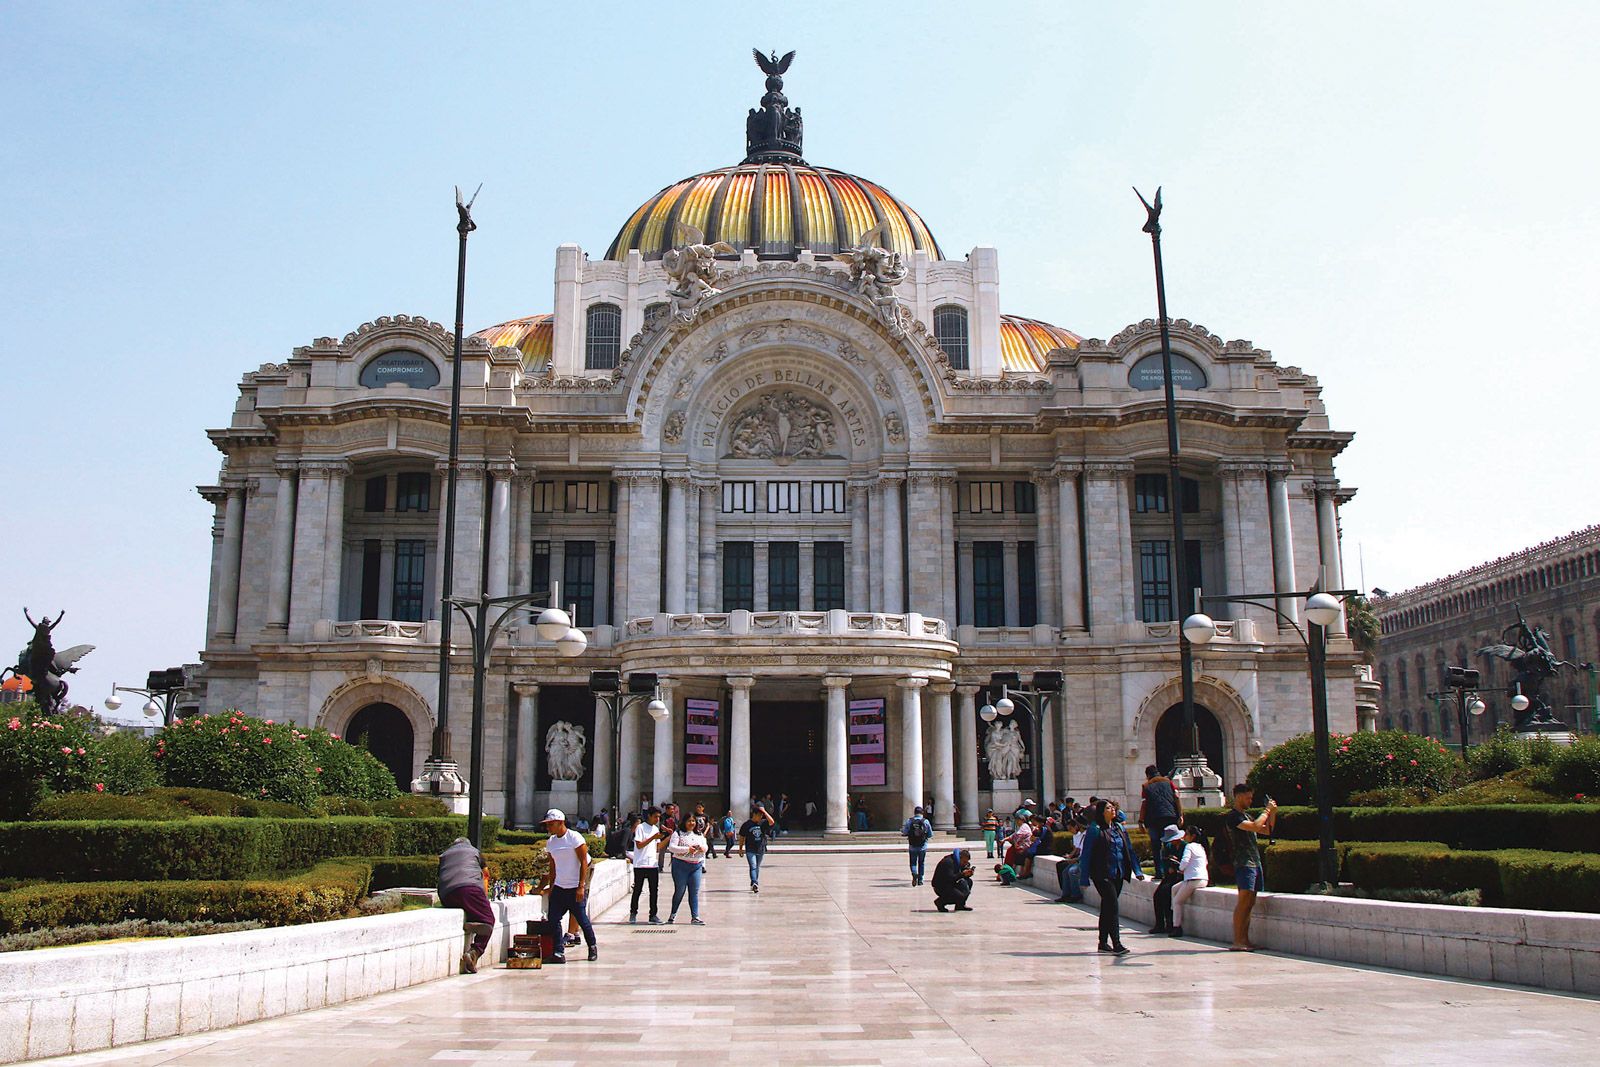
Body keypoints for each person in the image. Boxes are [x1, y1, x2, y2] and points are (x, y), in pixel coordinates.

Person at [1079, 800, 1144, 955]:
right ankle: (1117, 943)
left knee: (1107, 907)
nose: (1112, 810)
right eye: (1108, 808)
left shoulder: (1119, 828)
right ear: (1101, 812)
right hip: (1102, 874)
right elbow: (1086, 854)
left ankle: (1102, 942)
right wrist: (1084, 878)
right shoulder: (1094, 830)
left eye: (1112, 807)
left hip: (1119, 872)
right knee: (1113, 906)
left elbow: (1129, 849)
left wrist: (1137, 870)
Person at [537, 808, 596, 963]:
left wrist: (581, 886)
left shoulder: (574, 838)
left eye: (551, 824)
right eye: (547, 825)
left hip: (575, 885)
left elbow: (584, 862)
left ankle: (592, 947)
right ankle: (558, 952)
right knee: (554, 918)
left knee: (582, 919)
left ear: (560, 823)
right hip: (560, 886)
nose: (548, 828)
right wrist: (551, 886)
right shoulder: (551, 842)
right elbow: (553, 865)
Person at [1226, 784, 1277, 951]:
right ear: (1239, 796)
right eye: (1248, 797)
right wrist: (1266, 811)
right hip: (1243, 863)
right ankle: (1237, 940)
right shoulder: (1234, 817)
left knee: (1250, 903)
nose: (1250, 800)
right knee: (1243, 901)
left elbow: (1266, 830)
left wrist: (1272, 813)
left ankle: (1245, 940)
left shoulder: (1246, 815)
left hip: (1255, 862)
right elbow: (1255, 826)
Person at [437, 836, 494, 974]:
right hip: (469, 889)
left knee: (471, 908)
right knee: (488, 919)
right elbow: (485, 874)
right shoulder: (474, 851)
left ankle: (470, 924)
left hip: (446, 895)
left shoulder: (444, 854)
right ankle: (475, 952)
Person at [1138, 764, 1184, 878]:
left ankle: (1159, 872)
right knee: (1171, 843)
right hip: (1170, 816)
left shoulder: (1146, 786)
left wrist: (1141, 821)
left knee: (1156, 846)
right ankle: (1173, 870)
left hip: (1153, 819)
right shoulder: (1168, 782)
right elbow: (1177, 798)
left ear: (1147, 775)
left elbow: (1144, 804)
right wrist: (1180, 815)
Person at [666, 815, 709, 924]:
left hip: (696, 866)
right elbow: (672, 847)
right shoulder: (678, 833)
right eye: (689, 821)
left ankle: (695, 917)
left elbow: (705, 847)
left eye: (693, 821)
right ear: (684, 822)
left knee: (694, 892)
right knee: (680, 890)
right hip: (680, 866)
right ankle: (673, 914)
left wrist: (700, 848)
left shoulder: (699, 834)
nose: (691, 823)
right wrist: (687, 849)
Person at [1170, 823, 1209, 938]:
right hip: (1202, 878)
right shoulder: (1201, 847)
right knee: (1174, 888)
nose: (1184, 836)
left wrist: (1181, 868)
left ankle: (1176, 927)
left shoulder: (1189, 846)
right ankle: (1174, 914)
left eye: (1186, 834)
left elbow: (1185, 861)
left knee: (1177, 901)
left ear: (1192, 836)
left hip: (1193, 879)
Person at [629, 807, 665, 924]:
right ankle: (633, 912)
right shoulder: (640, 827)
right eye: (655, 816)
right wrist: (653, 837)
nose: (657, 819)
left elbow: (658, 847)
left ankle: (653, 915)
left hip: (652, 864)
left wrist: (669, 837)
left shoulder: (655, 828)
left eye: (659, 817)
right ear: (649, 815)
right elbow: (639, 845)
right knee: (637, 890)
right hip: (640, 864)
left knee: (654, 890)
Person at [1151, 824, 1186, 933]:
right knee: (1157, 895)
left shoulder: (1185, 847)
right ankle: (1159, 924)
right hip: (1170, 875)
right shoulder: (1168, 847)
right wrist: (1169, 866)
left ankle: (1170, 923)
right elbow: (1164, 861)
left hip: (1181, 875)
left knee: (1167, 893)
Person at [739, 804, 774, 892]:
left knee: (757, 867)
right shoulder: (746, 825)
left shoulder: (763, 823)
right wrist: (740, 848)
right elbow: (742, 837)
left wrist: (765, 812)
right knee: (753, 866)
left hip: (760, 849)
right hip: (750, 849)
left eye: (762, 815)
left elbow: (772, 822)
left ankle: (754, 883)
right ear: (754, 814)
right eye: (759, 815)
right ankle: (755, 882)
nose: (761, 817)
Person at [931, 847, 975, 912]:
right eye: (964, 862)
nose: (965, 864)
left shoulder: (958, 863)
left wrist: (968, 874)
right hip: (941, 886)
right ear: (960, 857)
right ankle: (940, 902)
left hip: (950, 884)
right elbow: (950, 878)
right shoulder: (948, 862)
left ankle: (960, 905)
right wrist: (963, 874)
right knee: (960, 896)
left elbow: (958, 877)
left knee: (969, 882)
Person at [1053, 818, 1084, 903]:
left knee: (1072, 871)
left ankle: (1076, 895)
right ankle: (1065, 894)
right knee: (1064, 871)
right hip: (1077, 859)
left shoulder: (1085, 835)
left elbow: (1084, 853)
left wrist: (1074, 859)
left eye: (1071, 828)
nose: (1070, 831)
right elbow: (1077, 849)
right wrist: (1070, 857)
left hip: (1082, 860)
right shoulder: (1078, 835)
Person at [901, 805, 934, 886]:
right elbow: (930, 834)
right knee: (921, 862)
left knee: (913, 863)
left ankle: (914, 873)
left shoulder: (909, 821)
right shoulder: (925, 821)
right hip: (923, 846)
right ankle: (920, 880)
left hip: (912, 845)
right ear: (922, 812)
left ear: (914, 813)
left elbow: (905, 832)